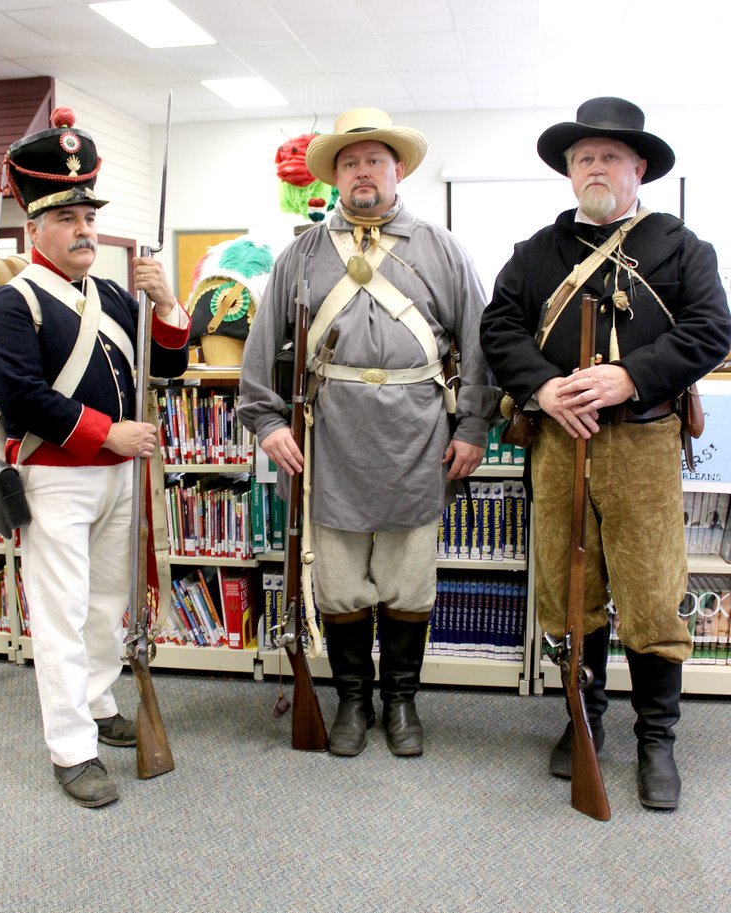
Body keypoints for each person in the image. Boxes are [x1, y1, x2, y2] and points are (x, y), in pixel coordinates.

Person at [480, 97, 731, 810]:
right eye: (583, 157)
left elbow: (713, 329)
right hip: (561, 442)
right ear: (569, 171)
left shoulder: (682, 247)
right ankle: (583, 720)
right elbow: (500, 329)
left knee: (652, 593)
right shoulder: (534, 253)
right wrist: (544, 387)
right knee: (569, 592)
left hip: (645, 440)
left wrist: (632, 375)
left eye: (610, 156)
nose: (596, 167)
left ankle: (658, 740)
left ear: (638, 168)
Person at [239, 108, 498, 758]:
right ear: (335, 175)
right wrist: (268, 421)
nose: (362, 173)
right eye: (350, 163)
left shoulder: (440, 247)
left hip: (418, 433)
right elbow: (263, 345)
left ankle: (401, 701)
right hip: (333, 437)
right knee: (341, 580)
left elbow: (478, 341)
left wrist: (471, 427)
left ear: (397, 169)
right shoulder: (301, 253)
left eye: (374, 161)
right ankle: (352, 697)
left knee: (409, 578)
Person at [0, 108, 190, 807]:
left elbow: (168, 366)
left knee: (107, 604)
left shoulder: (111, 294)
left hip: (117, 476)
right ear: (34, 228)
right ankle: (72, 748)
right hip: (57, 477)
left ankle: (99, 702)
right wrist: (110, 433)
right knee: (62, 613)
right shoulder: (14, 302)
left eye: (88, 216)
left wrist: (166, 304)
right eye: (66, 218)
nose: (84, 229)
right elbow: (25, 398)